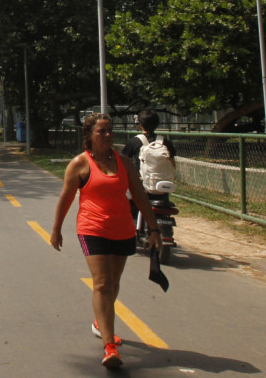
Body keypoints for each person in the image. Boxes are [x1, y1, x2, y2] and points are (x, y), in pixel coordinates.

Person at [50, 113, 160, 370]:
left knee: (114, 282)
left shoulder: (124, 162)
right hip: (92, 228)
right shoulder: (79, 163)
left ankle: (101, 322)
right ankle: (110, 347)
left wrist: (154, 228)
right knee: (101, 283)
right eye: (102, 131)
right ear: (89, 135)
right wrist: (56, 229)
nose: (108, 135)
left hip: (123, 229)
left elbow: (140, 196)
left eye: (110, 130)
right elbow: (66, 198)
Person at [121, 109, 177, 220]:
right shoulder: (165, 142)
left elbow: (123, 161)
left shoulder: (134, 141)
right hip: (162, 187)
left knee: (130, 207)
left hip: (141, 187)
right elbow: (172, 164)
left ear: (140, 124)